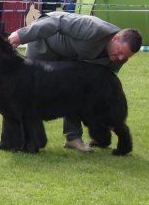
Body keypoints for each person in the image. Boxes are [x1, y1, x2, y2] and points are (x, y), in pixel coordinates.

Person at [8, 11, 142, 152]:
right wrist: (22, 35)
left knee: (75, 93)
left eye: (125, 57)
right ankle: (19, 141)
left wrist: (110, 114)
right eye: (120, 52)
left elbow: (101, 80)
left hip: (69, 61)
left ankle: (72, 138)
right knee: (29, 95)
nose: (120, 58)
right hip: (45, 44)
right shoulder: (94, 28)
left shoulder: (120, 58)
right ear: (115, 38)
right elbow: (56, 22)